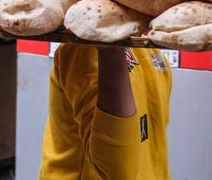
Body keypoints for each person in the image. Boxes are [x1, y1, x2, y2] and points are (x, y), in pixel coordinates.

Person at [39, 42, 172, 179]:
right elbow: (118, 168)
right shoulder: (83, 51)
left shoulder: (150, 51)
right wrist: (109, 50)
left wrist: (110, 50)